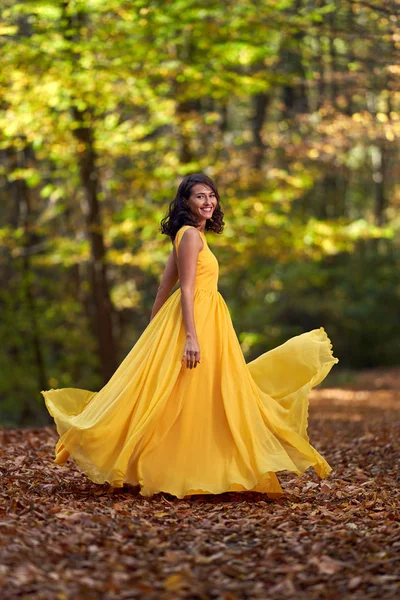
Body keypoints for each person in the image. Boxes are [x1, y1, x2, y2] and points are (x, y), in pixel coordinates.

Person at [42, 173, 338, 499]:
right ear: (186, 202)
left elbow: (162, 288)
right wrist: (189, 337)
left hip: (205, 320)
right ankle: (183, 469)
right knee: (199, 393)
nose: (208, 201)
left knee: (203, 393)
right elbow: (184, 290)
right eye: (200, 196)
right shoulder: (190, 238)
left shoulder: (189, 235)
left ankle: (188, 466)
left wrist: (155, 333)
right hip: (196, 321)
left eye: (211, 195)